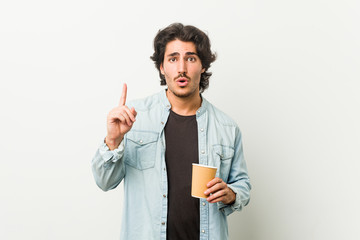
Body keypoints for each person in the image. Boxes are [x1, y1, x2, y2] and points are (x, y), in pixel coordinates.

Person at [91, 23, 251, 240]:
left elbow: (242, 185)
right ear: (162, 67)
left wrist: (231, 195)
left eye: (191, 58)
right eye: (173, 59)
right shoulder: (134, 118)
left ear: (203, 65)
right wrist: (113, 140)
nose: (182, 68)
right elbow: (104, 182)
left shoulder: (227, 128)